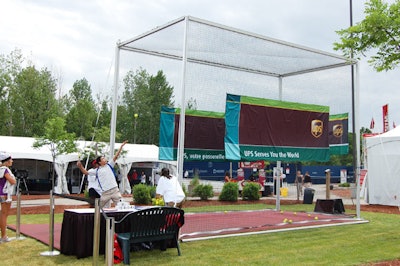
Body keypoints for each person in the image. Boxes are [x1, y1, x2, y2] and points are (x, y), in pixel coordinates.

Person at [78, 141, 127, 208]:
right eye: (103, 158)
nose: (105, 159)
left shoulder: (109, 165)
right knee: (99, 208)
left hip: (115, 190)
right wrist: (80, 166)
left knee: (121, 206)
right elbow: (85, 172)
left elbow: (116, 156)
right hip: (105, 192)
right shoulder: (96, 171)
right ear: (100, 162)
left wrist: (121, 147)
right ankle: (98, 218)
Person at [0, 152, 17, 242]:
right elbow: (12, 182)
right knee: (4, 215)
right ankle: (3, 236)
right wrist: (13, 179)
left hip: (1, 192)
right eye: (10, 159)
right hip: (5, 194)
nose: (12, 161)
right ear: (6, 161)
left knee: (2, 215)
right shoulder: (5, 170)